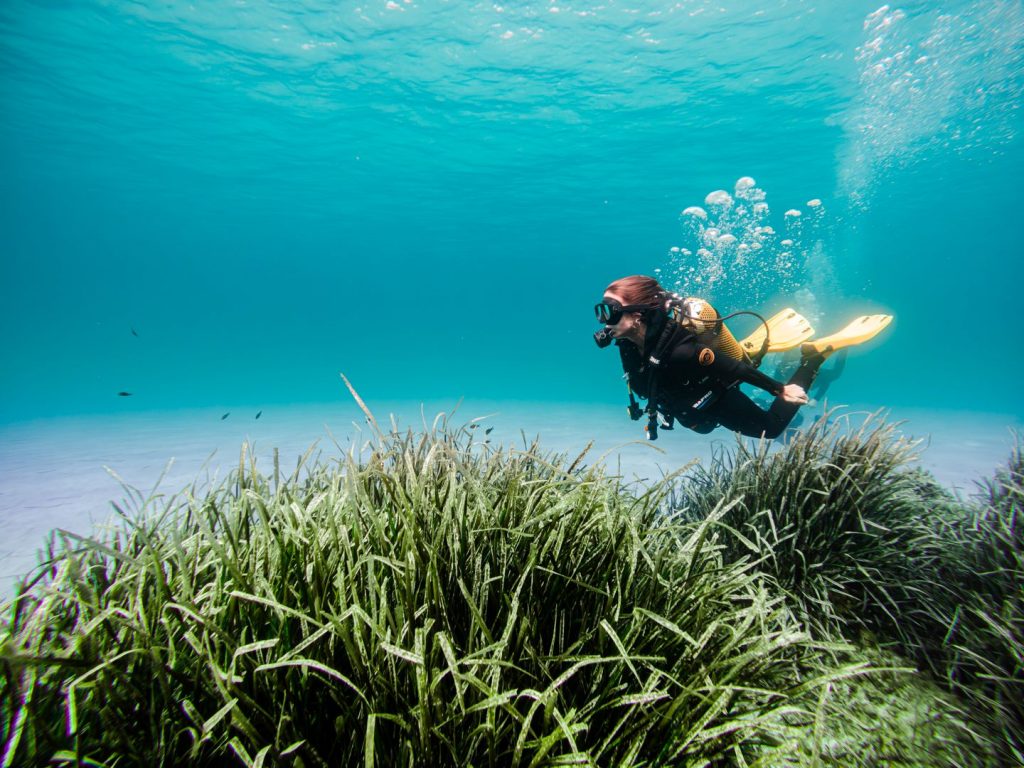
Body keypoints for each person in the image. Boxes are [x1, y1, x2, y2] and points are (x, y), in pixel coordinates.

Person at [594, 275, 891, 440]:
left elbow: (733, 368)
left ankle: (812, 358)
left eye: (611, 310)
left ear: (638, 315)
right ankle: (748, 350)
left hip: (717, 394)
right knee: (706, 423)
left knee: (770, 430)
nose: (604, 321)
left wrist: (780, 389)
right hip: (692, 401)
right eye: (602, 311)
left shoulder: (681, 352)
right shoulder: (629, 342)